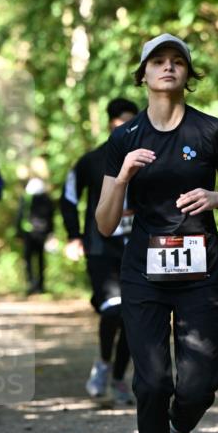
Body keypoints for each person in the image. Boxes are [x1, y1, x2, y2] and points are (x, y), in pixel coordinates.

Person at [95, 34, 218, 433]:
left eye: (177, 62)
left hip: (200, 271)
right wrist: (121, 178)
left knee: (200, 384)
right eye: (157, 62)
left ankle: (180, 429)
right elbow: (103, 223)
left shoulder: (211, 131)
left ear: (188, 74)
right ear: (142, 74)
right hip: (144, 274)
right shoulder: (123, 139)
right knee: (152, 383)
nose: (168, 68)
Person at [60, 98, 139, 405]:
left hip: (140, 248)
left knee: (135, 316)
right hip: (100, 247)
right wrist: (73, 236)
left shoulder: (150, 157)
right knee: (113, 309)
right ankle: (104, 365)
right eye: (122, 122)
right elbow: (68, 198)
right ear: (111, 124)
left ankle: (119, 377)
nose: (128, 128)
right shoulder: (92, 161)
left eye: (133, 121)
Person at [16, 177, 55, 294]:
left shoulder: (26, 199)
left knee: (30, 259)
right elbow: (51, 218)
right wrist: (51, 233)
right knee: (40, 260)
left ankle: (32, 284)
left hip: (29, 233)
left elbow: (20, 216)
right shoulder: (47, 199)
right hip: (41, 233)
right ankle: (39, 286)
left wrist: (19, 234)